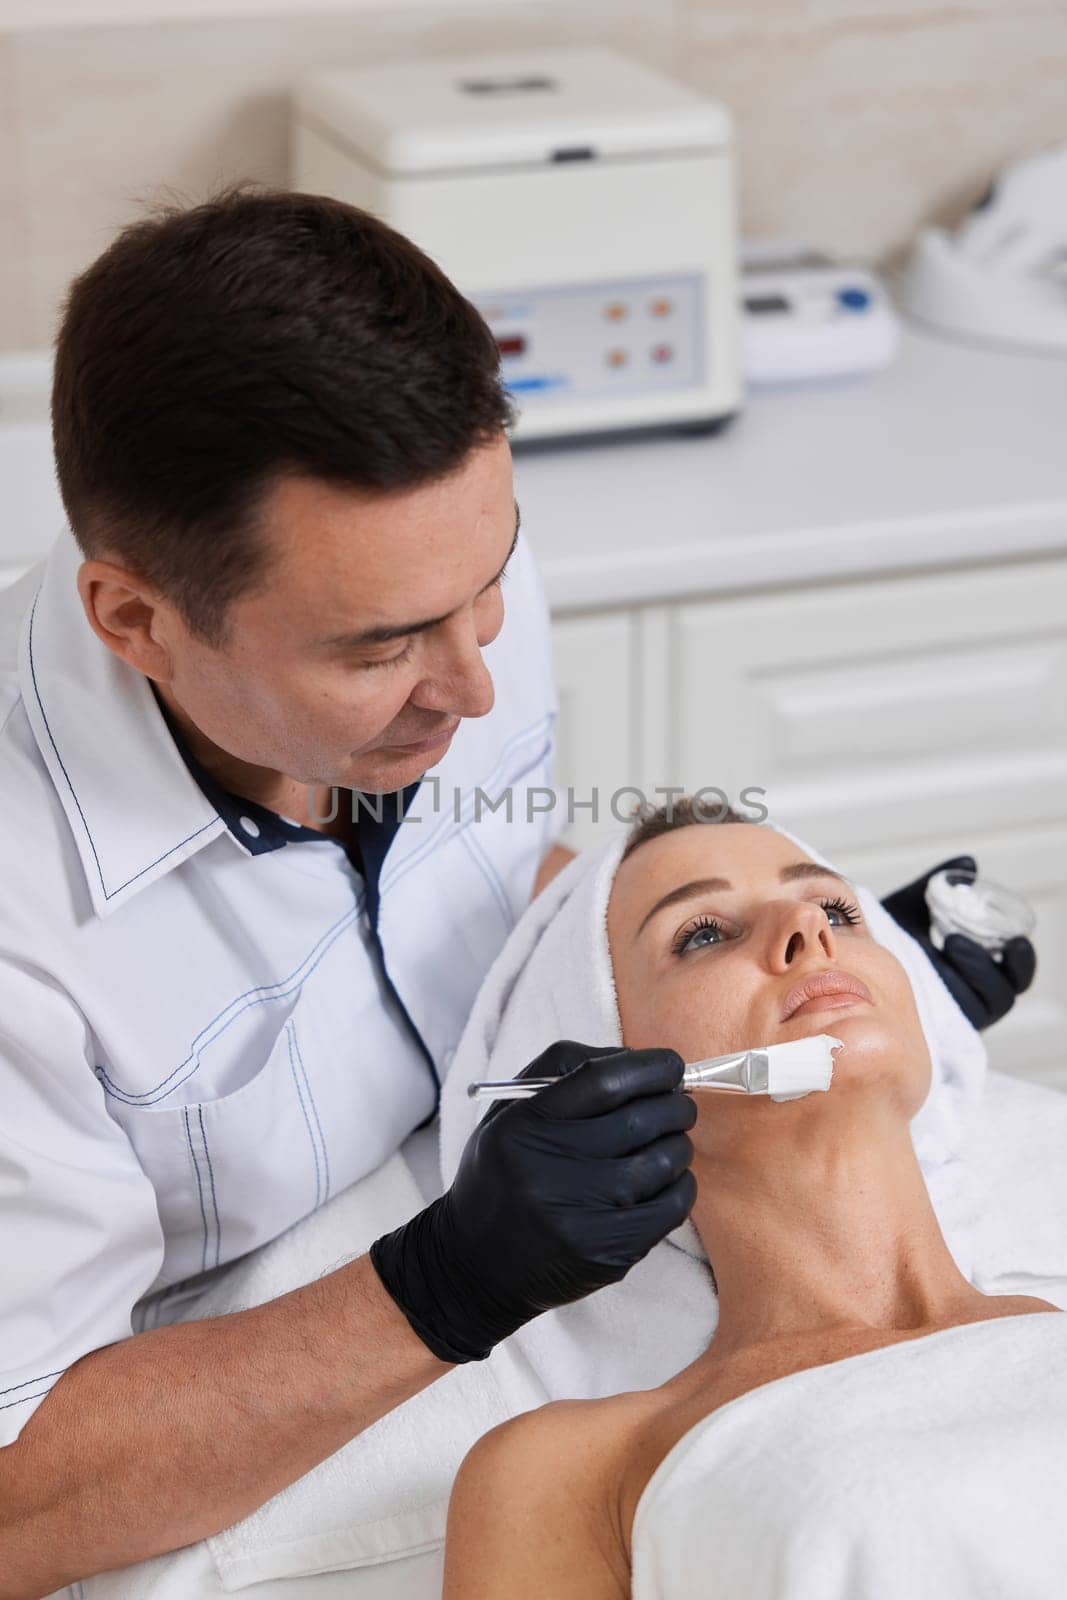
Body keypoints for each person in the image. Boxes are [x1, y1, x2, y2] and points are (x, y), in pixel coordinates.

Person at [0, 185, 1035, 1597]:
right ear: (136, 620)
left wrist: (856, 967)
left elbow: (478, 882)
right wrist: (439, 1284)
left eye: (488, 587)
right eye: (380, 650)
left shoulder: (424, 568)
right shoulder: (25, 944)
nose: (475, 685)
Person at [442, 804, 1061, 1598]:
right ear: (608, 1081)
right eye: (703, 933)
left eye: (838, 908)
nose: (809, 924)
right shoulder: (576, 1470)